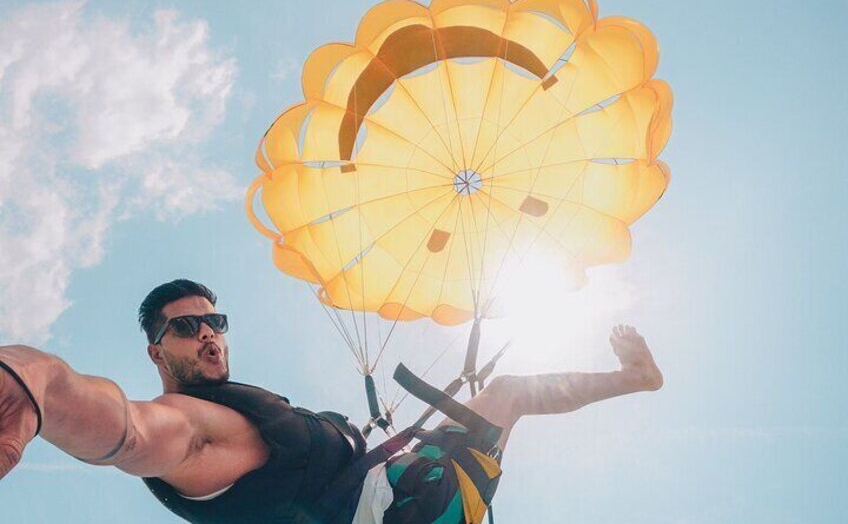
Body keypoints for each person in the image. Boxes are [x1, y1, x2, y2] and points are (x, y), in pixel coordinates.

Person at [0, 279, 663, 523]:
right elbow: (132, 432)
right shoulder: (193, 426)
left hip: (412, 482)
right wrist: (43, 386)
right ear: (157, 351)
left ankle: (636, 378)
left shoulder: (243, 403)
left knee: (511, 391)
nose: (206, 332)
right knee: (510, 395)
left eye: (214, 320)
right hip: (401, 511)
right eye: (184, 325)